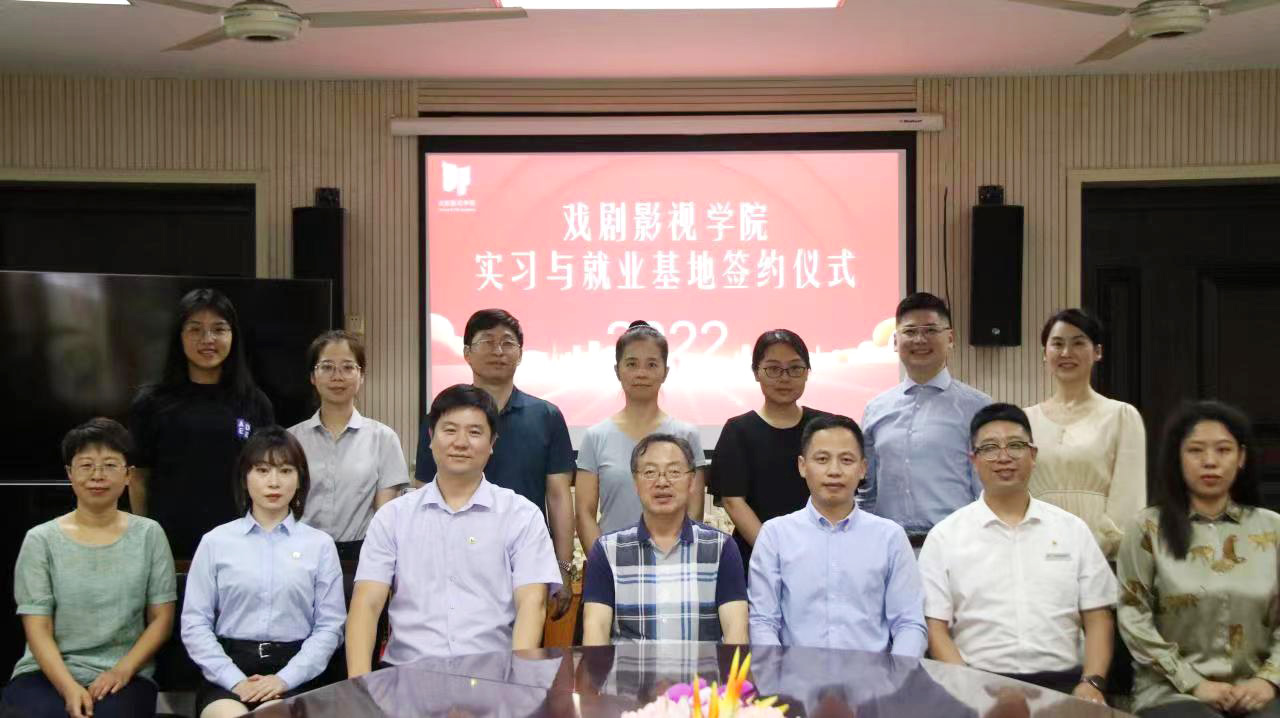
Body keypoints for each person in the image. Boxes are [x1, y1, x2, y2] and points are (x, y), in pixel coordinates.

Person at [348, 384, 560, 675]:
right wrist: (359, 688)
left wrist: (516, 683)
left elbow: (532, 604)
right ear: (430, 437)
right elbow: (367, 604)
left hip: (494, 677)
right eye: (449, 430)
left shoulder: (521, 515)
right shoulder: (393, 517)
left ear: (492, 442)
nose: (461, 442)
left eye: (474, 432)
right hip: (407, 676)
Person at [919, 403, 1116, 703]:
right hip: (978, 685)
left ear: (1033, 455)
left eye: (1015, 445)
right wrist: (965, 686)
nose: (1004, 457)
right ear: (973, 460)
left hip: (1065, 686)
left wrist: (1092, 682)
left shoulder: (1072, 530)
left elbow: (1098, 615)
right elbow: (935, 628)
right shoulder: (945, 537)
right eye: (990, 448)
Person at [3, 418, 176, 718]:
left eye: (109, 465)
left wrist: (121, 671)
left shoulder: (149, 534)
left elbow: (161, 619)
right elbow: (38, 628)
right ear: (70, 473)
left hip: (124, 674)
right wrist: (69, 688)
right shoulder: (41, 539)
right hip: (46, 673)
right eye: (86, 466)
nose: (97, 475)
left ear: (128, 475)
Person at [1117, 401, 1280, 718]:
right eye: (1195, 450)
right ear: (1177, 458)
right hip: (1171, 692)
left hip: (1258, 690)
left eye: (1223, 450)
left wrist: (1269, 680)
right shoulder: (1147, 528)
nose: (1210, 461)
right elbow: (1133, 616)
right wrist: (1193, 683)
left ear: (1241, 457)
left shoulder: (1273, 528)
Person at [414, 309, 576, 617]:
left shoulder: (546, 416)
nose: (498, 351)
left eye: (507, 343)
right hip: (452, 560)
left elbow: (558, 496)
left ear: (520, 354)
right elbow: (423, 490)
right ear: (467, 353)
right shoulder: (442, 418)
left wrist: (563, 566)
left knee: (525, 641)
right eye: (487, 342)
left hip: (524, 559)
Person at [180, 426, 345, 718]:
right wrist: (235, 680)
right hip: (228, 668)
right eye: (262, 470)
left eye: (285, 471)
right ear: (245, 478)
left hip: (296, 670)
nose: (274, 482)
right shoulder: (215, 541)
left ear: (300, 479)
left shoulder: (319, 545)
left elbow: (329, 628)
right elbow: (195, 624)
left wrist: (284, 679)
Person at [748, 414, 926, 655]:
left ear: (863, 468)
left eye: (846, 460)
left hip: (872, 676)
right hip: (795, 675)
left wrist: (898, 675)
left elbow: (908, 624)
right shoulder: (775, 535)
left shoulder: (890, 537)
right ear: (802, 466)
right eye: (822, 459)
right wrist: (777, 673)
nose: (834, 471)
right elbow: (763, 622)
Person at [128, 288, 275, 558]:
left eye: (219, 329)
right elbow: (138, 478)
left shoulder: (255, 403)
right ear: (179, 337)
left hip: (241, 546)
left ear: (233, 335)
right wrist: (146, 541)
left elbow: (268, 479)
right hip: (169, 547)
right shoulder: (151, 402)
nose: (208, 339)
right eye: (195, 329)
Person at [581, 433, 747, 644]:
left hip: (701, 667)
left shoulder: (721, 548)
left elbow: (736, 633)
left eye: (674, 472)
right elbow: (596, 631)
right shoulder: (607, 550)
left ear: (692, 481)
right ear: (635, 482)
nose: (662, 482)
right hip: (629, 667)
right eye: (650, 472)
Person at [859, 292, 992, 548]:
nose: (920, 339)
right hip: (890, 548)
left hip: (954, 547)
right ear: (895, 341)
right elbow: (867, 491)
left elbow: (986, 489)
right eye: (910, 331)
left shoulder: (979, 408)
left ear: (950, 338)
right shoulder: (875, 409)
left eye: (930, 330)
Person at [576, 321, 707, 556]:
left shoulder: (686, 435)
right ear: (617, 370)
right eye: (632, 364)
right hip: (613, 562)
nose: (641, 373)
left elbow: (694, 512)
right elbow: (585, 513)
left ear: (665, 372)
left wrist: (675, 559)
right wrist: (603, 563)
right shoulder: (595, 436)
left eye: (652, 364)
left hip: (676, 563)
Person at [1024, 309, 1146, 560]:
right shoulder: (1025, 420)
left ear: (1097, 351)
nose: (1066, 353)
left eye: (1078, 343)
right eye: (1057, 344)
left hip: (1102, 556)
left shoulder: (1121, 416)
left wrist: (1095, 549)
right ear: (1045, 353)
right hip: (1036, 552)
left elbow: (1130, 498)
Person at [712, 329, 827, 571]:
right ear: (756, 372)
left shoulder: (826, 428)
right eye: (773, 369)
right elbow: (733, 501)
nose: (784, 378)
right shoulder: (738, 430)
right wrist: (774, 553)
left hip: (823, 553)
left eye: (795, 368)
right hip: (758, 558)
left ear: (807, 372)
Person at [288, 330, 409, 560]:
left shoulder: (383, 438)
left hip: (360, 557)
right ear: (313, 376)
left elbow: (385, 518)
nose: (337, 376)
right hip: (300, 555)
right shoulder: (291, 440)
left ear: (361, 376)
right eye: (327, 367)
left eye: (347, 367)